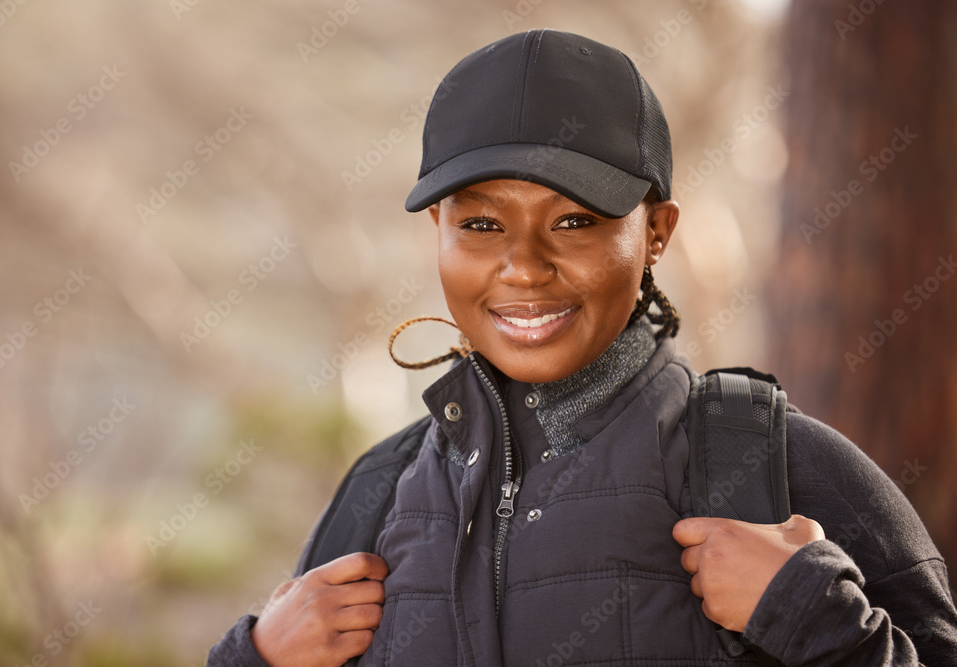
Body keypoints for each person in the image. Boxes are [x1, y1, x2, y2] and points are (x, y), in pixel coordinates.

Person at [208, 29, 957, 666]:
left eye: (574, 222)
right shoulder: (377, 491)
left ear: (656, 230)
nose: (525, 267)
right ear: (435, 230)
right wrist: (256, 656)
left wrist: (813, 617)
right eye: (480, 224)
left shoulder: (774, 467)